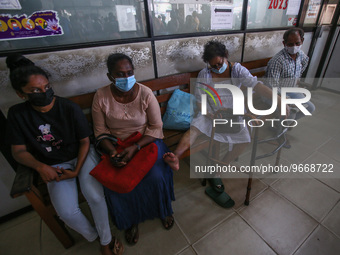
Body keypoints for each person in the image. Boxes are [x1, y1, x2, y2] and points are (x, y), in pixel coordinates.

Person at [5, 54, 123, 255]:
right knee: (67, 212)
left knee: (94, 195)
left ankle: (106, 241)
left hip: (82, 156)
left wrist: (77, 170)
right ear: (21, 94)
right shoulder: (18, 115)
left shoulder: (68, 108)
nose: (44, 93)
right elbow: (18, 151)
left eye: (47, 87)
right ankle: (93, 235)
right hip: (52, 165)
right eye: (35, 90)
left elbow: (85, 141)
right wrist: (41, 167)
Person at [163, 40, 283, 207]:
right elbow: (200, 100)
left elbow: (256, 85)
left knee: (245, 140)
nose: (216, 68)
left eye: (219, 63)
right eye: (212, 66)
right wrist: (208, 113)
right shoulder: (205, 74)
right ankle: (176, 156)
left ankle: (217, 170)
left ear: (225, 56)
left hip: (232, 114)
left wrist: (279, 101)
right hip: (211, 113)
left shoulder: (237, 70)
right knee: (195, 128)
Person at [92, 53, 175, 245]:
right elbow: (100, 131)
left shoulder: (145, 93)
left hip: (146, 142)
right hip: (117, 145)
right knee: (118, 183)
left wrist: (136, 146)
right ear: (110, 76)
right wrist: (112, 152)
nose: (126, 78)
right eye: (120, 74)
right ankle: (131, 220)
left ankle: (162, 210)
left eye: (129, 72)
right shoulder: (101, 96)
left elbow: (156, 127)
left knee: (156, 176)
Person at [265, 27, 315, 120]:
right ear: (284, 44)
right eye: (290, 44)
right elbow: (272, 85)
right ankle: (280, 127)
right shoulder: (277, 61)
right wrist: (287, 99)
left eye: (297, 43)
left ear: (302, 41)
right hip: (274, 93)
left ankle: (285, 124)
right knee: (289, 111)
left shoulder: (301, 55)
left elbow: (305, 62)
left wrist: (296, 80)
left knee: (310, 108)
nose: (294, 47)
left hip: (292, 90)